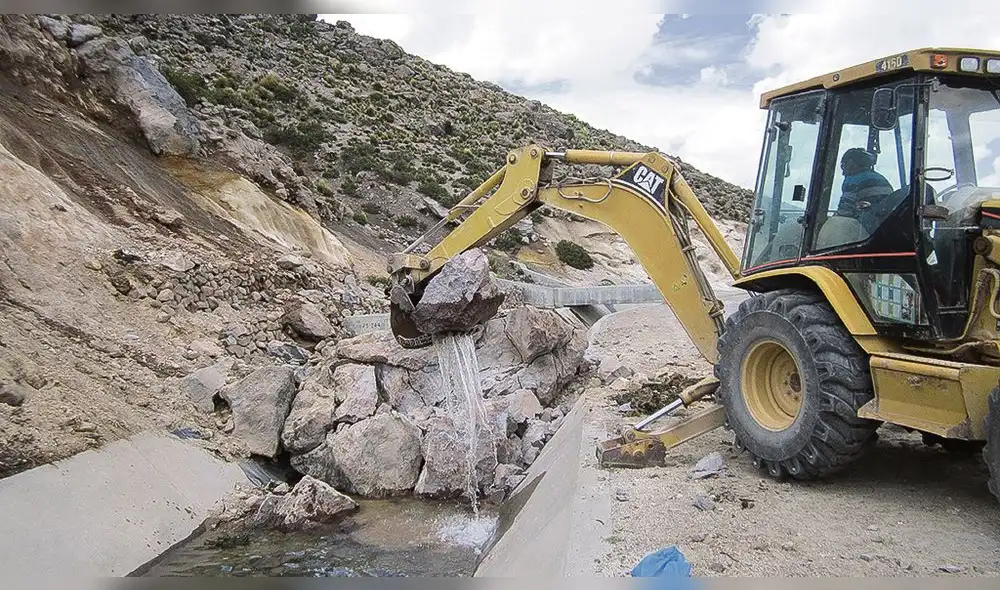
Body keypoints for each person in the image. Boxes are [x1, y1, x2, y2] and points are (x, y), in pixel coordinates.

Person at [836, 148, 894, 223]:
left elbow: (844, 212)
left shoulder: (852, 180)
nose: (843, 172)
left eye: (843, 166)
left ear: (851, 163)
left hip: (866, 228)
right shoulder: (881, 178)